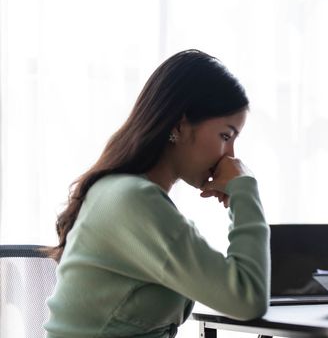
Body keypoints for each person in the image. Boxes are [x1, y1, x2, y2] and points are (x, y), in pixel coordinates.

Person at [44, 50, 269, 337]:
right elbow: (247, 299)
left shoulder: (121, 191)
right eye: (225, 136)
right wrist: (244, 190)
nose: (231, 156)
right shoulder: (133, 201)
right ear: (179, 124)